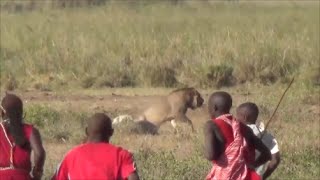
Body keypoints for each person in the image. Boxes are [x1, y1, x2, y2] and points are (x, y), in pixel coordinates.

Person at [203, 91, 271, 180]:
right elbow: (267, 153)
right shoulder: (244, 127)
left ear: (214, 107)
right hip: (245, 176)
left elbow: (210, 155)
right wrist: (252, 165)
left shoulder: (211, 125)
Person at [52, 113, 140, 180]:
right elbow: (133, 178)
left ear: (86, 131)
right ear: (111, 132)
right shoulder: (122, 155)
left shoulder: (71, 156)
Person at [0, 93, 46, 180]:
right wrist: (37, 172)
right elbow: (40, 153)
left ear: (2, 112)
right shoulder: (30, 130)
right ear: (21, 112)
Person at [236, 102, 281, 179]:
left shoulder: (238, 132)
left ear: (245, 117)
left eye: (238, 116)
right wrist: (264, 176)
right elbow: (275, 160)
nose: (236, 119)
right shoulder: (268, 136)